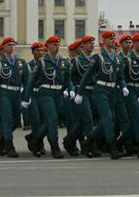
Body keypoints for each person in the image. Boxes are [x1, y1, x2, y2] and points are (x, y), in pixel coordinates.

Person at [78, 30, 127, 159]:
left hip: (112, 91)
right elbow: (87, 76)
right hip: (101, 90)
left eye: (113, 38)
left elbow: (120, 76)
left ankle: (88, 142)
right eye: (109, 39)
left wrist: (123, 87)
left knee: (111, 119)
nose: (112, 40)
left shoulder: (117, 58)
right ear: (104, 41)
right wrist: (80, 92)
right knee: (107, 118)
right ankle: (113, 148)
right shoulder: (98, 57)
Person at [24, 36, 72, 158]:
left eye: (58, 44)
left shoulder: (63, 61)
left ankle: (34, 140)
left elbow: (68, 80)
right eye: (54, 44)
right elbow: (31, 81)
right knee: (52, 119)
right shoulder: (42, 62)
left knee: (51, 120)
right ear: (48, 46)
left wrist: (70, 90)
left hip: (58, 94)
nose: (57, 47)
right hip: (45, 93)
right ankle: (55, 147)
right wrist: (26, 98)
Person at [0, 37, 29, 157]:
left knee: (16, 121)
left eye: (13, 45)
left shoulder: (21, 62)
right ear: (4, 47)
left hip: (16, 94)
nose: (11, 47)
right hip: (4, 93)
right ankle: (9, 145)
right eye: (9, 45)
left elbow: (27, 80)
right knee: (7, 120)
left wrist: (26, 97)